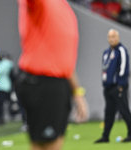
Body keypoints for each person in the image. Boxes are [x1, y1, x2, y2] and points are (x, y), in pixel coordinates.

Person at [16, 0, 88, 150]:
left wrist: (77, 92)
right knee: (48, 146)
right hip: (43, 83)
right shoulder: (43, 3)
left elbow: (62, 58)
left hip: (57, 84)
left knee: (53, 144)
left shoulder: (63, 6)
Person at [95, 29, 131, 143]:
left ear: (118, 37)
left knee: (124, 110)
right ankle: (105, 136)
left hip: (118, 86)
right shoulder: (106, 53)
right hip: (108, 87)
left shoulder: (121, 50)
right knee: (109, 112)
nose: (112, 39)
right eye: (110, 37)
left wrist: (121, 84)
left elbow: (124, 68)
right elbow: (105, 69)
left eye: (114, 36)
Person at [0, 52, 14, 125]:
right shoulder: (9, 64)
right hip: (7, 86)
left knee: (1, 104)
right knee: (8, 102)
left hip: (1, 86)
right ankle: (10, 115)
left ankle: (1, 118)